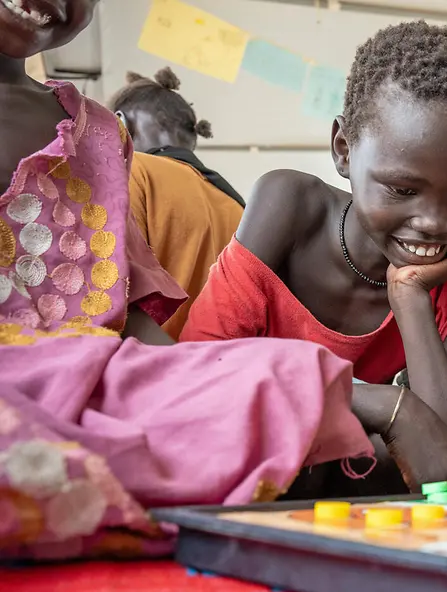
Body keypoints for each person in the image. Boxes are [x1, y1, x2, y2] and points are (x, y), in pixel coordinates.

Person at [0, 0, 374, 560]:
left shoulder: (99, 135)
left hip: (95, 384)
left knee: (279, 374)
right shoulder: (250, 197)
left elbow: (124, 315)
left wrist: (210, 387)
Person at [181, 22, 447, 493]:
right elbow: (192, 373)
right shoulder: (289, 209)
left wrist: (410, 300)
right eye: (402, 189)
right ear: (343, 150)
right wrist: (387, 406)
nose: (434, 221)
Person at [108, 68, 245, 339]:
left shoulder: (132, 172)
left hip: (151, 368)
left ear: (119, 123)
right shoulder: (238, 206)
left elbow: (110, 285)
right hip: (224, 371)